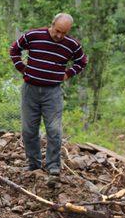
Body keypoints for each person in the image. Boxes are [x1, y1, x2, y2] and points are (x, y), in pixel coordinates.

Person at [9, 13, 88, 185]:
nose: (59, 36)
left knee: (54, 131)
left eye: (64, 33)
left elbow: (82, 62)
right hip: (30, 90)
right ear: (52, 24)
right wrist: (22, 67)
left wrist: (68, 74)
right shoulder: (33, 36)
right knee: (29, 129)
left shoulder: (71, 45)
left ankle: (53, 166)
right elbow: (14, 49)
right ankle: (34, 164)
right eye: (57, 31)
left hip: (52, 92)